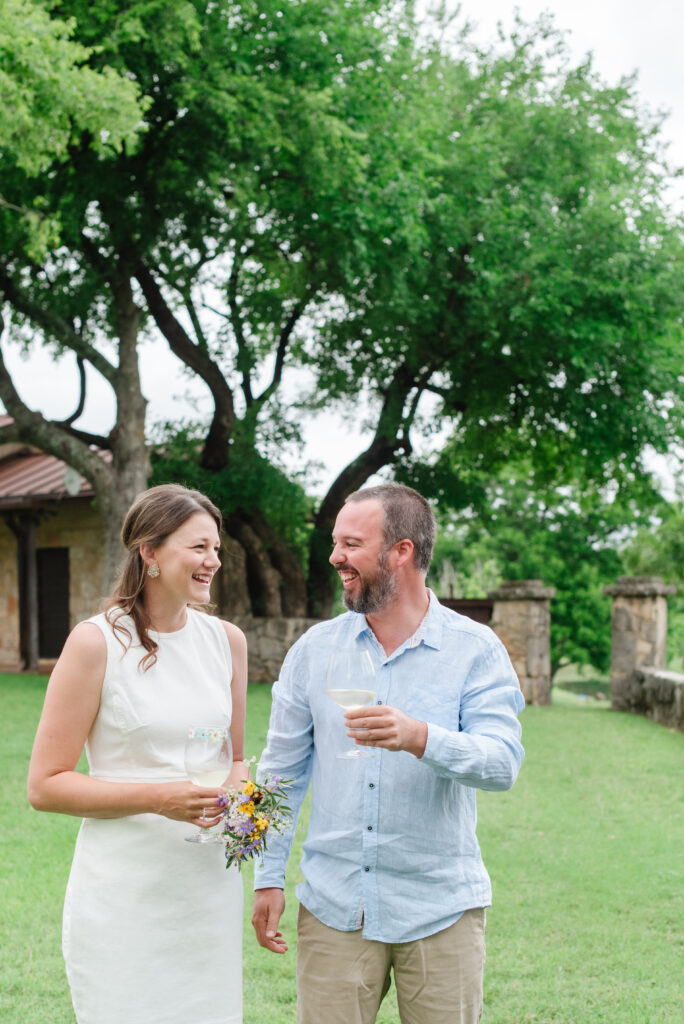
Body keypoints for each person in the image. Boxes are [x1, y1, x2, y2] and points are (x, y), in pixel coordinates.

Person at [251, 483, 525, 1024]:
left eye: (351, 544)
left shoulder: (475, 649)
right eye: (335, 543)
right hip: (333, 907)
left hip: (441, 908)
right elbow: (278, 772)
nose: (335, 558)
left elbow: (502, 763)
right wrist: (267, 875)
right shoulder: (313, 651)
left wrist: (420, 737)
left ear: (400, 551)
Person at [28, 484, 247, 1024]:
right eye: (198, 547)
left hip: (206, 890)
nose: (211, 561)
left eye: (215, 549)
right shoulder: (95, 642)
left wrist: (243, 803)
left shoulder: (227, 642)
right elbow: (45, 785)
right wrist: (157, 798)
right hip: (125, 894)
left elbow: (235, 760)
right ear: (149, 552)